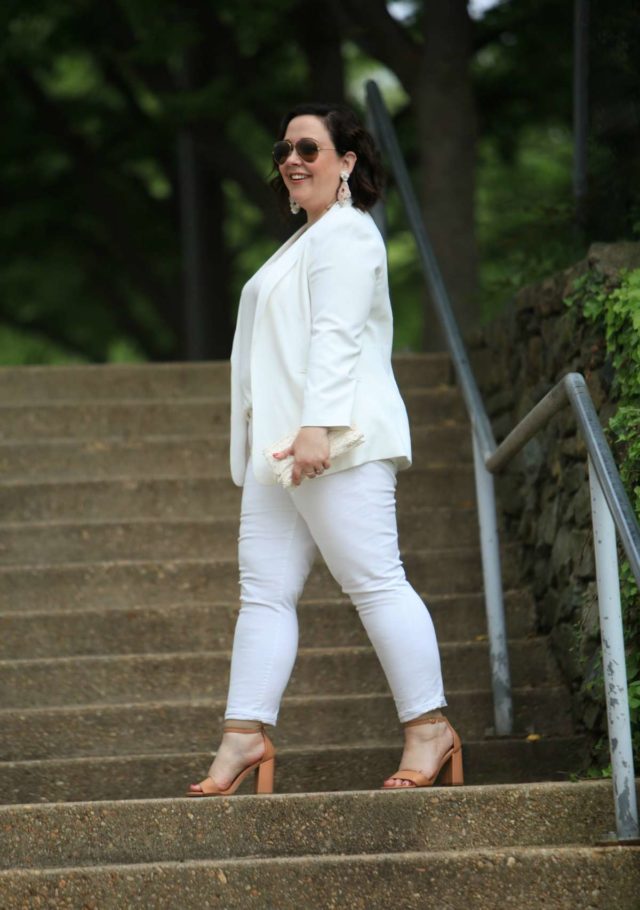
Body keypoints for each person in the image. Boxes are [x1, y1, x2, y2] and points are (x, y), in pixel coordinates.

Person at [187, 102, 462, 797]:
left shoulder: (347, 234)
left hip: (337, 442)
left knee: (375, 581)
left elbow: (336, 335)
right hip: (280, 455)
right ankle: (244, 733)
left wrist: (318, 426)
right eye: (284, 150)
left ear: (345, 162)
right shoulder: (303, 243)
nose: (292, 160)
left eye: (309, 148)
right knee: (264, 595)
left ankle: (430, 728)